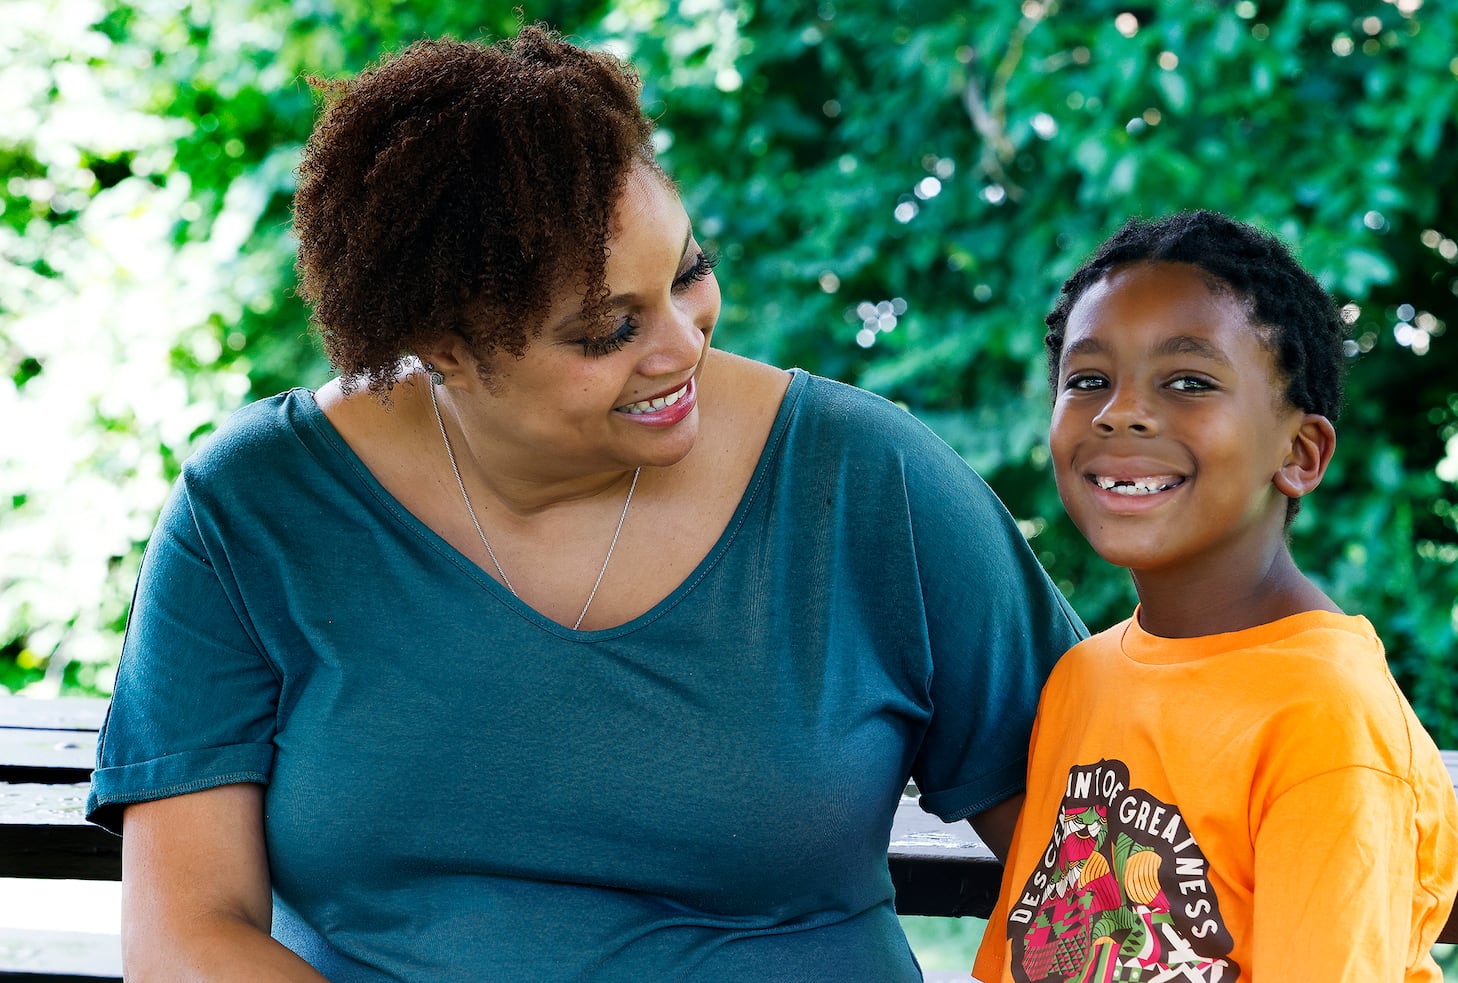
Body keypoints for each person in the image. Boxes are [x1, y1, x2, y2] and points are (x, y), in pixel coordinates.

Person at [84, 23, 1088, 982]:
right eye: (609, 327)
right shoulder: (256, 508)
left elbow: (1102, 852)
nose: (683, 346)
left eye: (688, 273)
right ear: (443, 345)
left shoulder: (869, 484)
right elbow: (186, 937)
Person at [973, 211, 1458, 983]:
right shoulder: (1083, 679)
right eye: (1088, 379)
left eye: (1189, 381)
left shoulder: (1326, 722)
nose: (1119, 410)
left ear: (1300, 453)